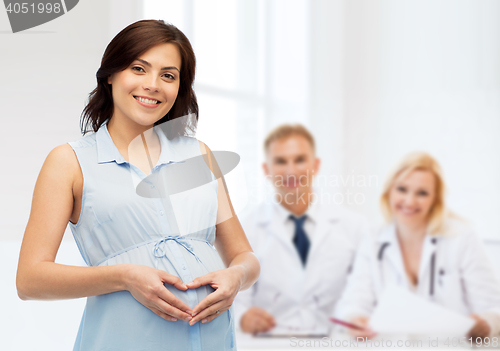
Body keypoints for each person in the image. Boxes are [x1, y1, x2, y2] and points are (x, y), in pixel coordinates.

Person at [16, 20, 260, 351]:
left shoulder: (198, 155)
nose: (153, 84)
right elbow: (30, 280)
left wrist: (236, 278)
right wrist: (123, 276)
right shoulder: (69, 162)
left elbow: (244, 256)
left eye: (168, 75)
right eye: (139, 68)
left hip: (211, 339)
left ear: (179, 87)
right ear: (111, 74)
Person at [333, 151, 500, 339]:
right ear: (389, 191)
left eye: (422, 193)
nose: (409, 201)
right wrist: (355, 318)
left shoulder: (461, 238)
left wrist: (485, 325)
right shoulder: (373, 239)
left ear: (435, 199)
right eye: (402, 189)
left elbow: (494, 307)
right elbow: (354, 300)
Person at [233, 124, 369, 335]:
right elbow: (233, 297)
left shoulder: (355, 227)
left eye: (299, 160)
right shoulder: (244, 229)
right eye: (280, 161)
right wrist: (242, 317)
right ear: (266, 170)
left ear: (315, 165)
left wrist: (355, 317)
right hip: (270, 345)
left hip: (335, 343)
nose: (291, 171)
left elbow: (362, 290)